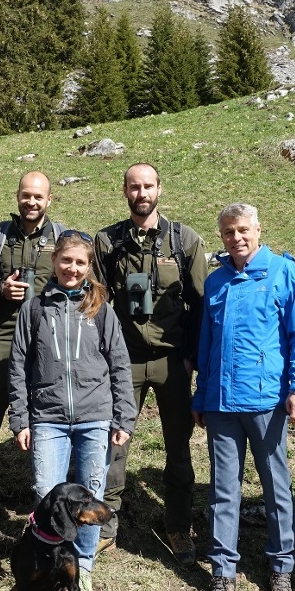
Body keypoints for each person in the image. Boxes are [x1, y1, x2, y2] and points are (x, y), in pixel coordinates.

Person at [192, 203, 295, 591]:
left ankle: (281, 569)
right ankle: (223, 575)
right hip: (222, 406)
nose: (236, 238)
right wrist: (201, 396)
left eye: (243, 229)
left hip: (267, 403)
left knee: (276, 488)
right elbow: (206, 348)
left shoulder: (284, 272)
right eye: (228, 232)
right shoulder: (216, 283)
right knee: (223, 492)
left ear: (259, 229)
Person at [8, 232, 136, 591]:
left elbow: (119, 364)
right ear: (54, 262)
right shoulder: (34, 309)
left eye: (80, 263)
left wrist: (123, 418)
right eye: (67, 261)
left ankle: (82, 569)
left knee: (92, 493)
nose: (72, 269)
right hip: (46, 418)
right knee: (46, 493)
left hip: (95, 417)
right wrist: (21, 419)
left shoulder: (100, 310)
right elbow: (18, 365)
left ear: (88, 267)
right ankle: (46, 561)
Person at [92, 163, 207, 563]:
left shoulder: (184, 240)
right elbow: (96, 302)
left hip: (173, 361)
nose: (142, 193)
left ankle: (178, 526)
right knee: (114, 444)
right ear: (125, 191)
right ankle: (105, 526)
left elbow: (200, 304)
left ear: (160, 188)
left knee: (178, 448)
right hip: (123, 362)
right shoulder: (106, 242)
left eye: (149, 186)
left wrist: (193, 356)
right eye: (134, 187)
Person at [0, 171, 66, 502]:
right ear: (17, 197)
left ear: (49, 199)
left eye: (39, 196)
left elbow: (81, 281)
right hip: (5, 336)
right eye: (26, 195)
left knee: (51, 416)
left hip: (50, 338)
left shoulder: (62, 237)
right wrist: (0, 288)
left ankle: (51, 498)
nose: (32, 201)